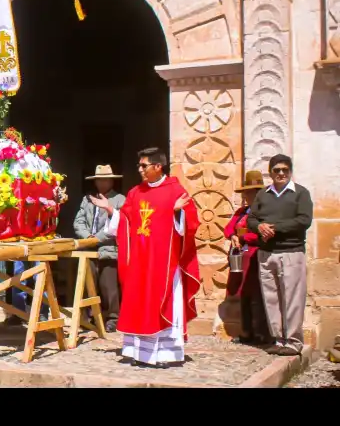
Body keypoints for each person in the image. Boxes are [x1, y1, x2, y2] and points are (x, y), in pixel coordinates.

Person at [109, 147, 201, 368]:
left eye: (144, 165)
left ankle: (165, 355)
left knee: (163, 302)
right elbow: (127, 220)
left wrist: (178, 212)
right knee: (139, 303)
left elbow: (191, 225)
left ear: (158, 167)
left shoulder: (176, 191)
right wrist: (113, 213)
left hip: (165, 262)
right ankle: (137, 352)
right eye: (139, 165)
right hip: (141, 262)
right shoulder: (135, 193)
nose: (139, 169)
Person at [247, 154, 313, 356]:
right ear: (271, 172)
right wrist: (260, 226)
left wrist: (275, 228)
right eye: (277, 170)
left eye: (285, 169)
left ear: (290, 171)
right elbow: (251, 218)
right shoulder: (263, 195)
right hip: (266, 254)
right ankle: (277, 339)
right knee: (271, 297)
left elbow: (304, 220)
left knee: (292, 298)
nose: (281, 173)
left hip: (291, 252)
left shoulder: (300, 193)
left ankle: (293, 341)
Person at [72, 164, 126, 333]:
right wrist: (87, 237)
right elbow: (78, 221)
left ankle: (112, 317)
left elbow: (118, 224)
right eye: (99, 180)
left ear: (111, 181)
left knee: (108, 285)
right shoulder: (87, 200)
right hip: (87, 249)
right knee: (87, 284)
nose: (102, 183)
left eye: (105, 180)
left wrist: (98, 238)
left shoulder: (120, 200)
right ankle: (87, 316)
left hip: (109, 249)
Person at [223, 170, 269, 344]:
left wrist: (243, 237)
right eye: (246, 192)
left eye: (251, 192)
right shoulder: (241, 211)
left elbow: (260, 235)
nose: (248, 196)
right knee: (243, 296)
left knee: (258, 296)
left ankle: (261, 333)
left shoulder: (265, 213)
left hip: (256, 258)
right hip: (241, 259)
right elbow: (228, 228)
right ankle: (247, 331)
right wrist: (233, 236)